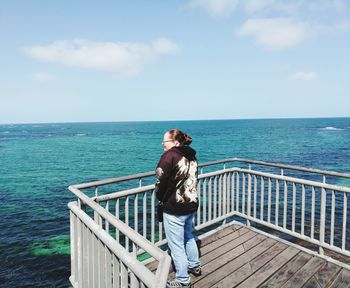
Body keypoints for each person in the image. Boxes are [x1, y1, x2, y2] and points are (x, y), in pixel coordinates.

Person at [155, 129, 201, 288]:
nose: (162, 145)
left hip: (175, 207)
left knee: (176, 245)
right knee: (188, 235)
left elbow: (160, 182)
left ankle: (183, 280)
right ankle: (194, 265)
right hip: (191, 204)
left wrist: (160, 197)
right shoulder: (191, 155)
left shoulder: (169, 156)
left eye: (164, 142)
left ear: (175, 142)